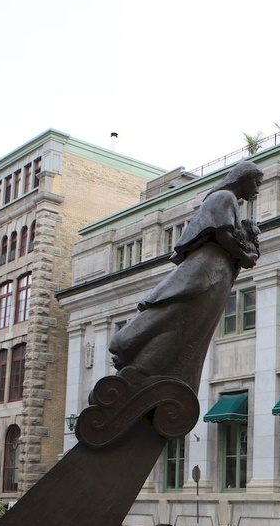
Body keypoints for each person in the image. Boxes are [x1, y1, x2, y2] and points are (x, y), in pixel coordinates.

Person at [108, 161, 263, 391]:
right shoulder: (224, 197)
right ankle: (132, 349)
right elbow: (222, 233)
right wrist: (243, 255)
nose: (258, 189)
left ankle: (150, 364)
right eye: (256, 183)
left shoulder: (230, 201)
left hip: (216, 271)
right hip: (207, 270)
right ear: (244, 178)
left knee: (191, 325)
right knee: (179, 314)